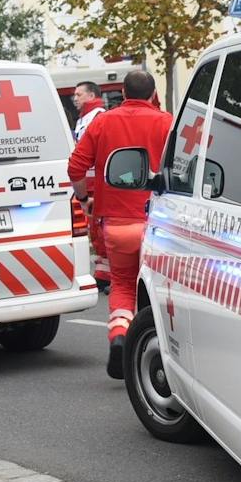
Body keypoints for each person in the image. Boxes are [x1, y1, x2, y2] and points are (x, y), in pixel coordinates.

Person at [67, 69, 171, 378]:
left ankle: (119, 337)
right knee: (159, 291)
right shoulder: (167, 122)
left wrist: (84, 198)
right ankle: (156, 353)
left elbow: (75, 167)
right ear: (153, 94)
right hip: (159, 225)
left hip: (117, 223)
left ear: (123, 94)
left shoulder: (103, 122)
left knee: (124, 286)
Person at [69, 82, 111, 286]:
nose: (75, 98)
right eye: (74, 95)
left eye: (79, 94)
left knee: (103, 229)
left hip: (99, 182)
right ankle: (104, 273)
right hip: (88, 181)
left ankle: (108, 274)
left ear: (92, 94)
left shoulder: (99, 116)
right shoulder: (83, 119)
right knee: (95, 230)